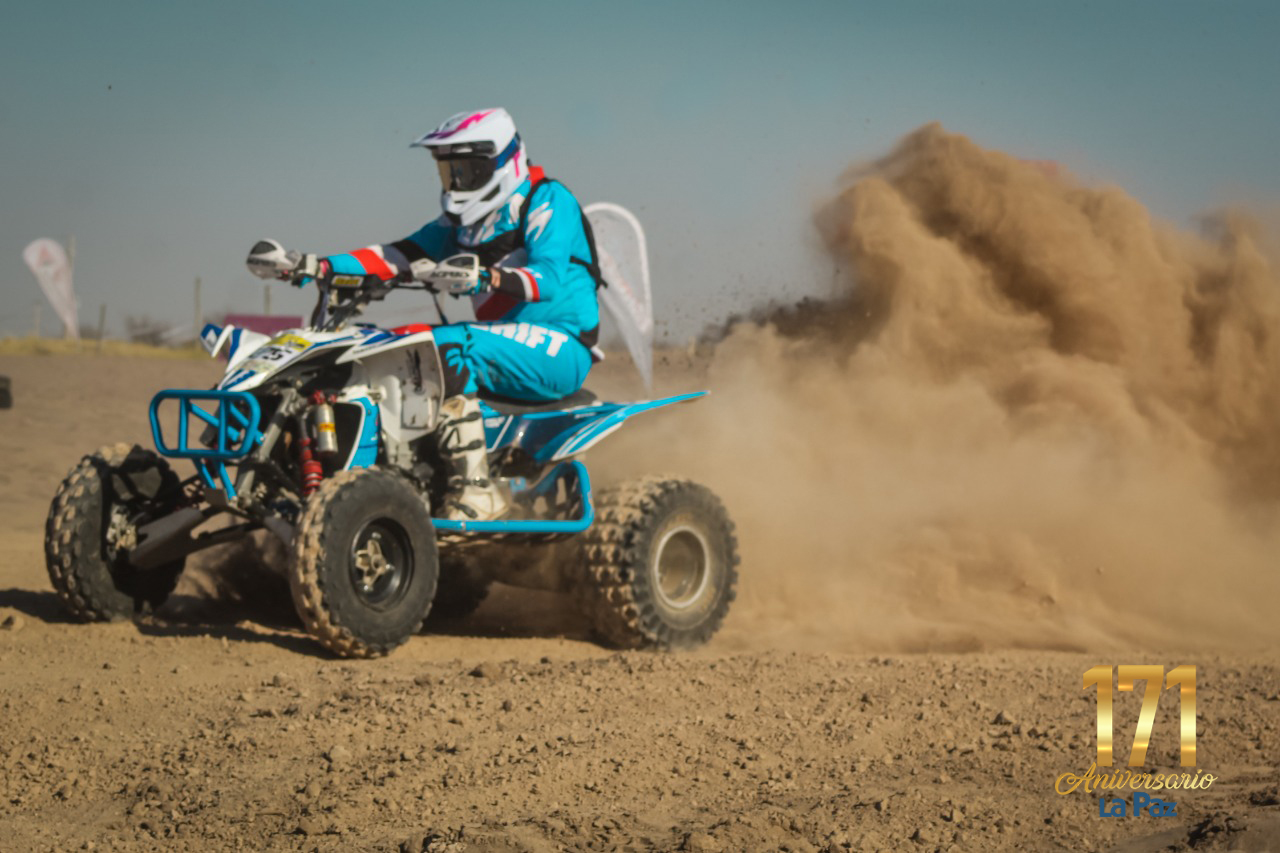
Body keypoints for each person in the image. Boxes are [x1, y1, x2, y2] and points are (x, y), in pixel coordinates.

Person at [293, 108, 601, 521]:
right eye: (450, 171)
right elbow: (397, 255)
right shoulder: (459, 225)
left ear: (501, 161)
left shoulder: (546, 199)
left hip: (562, 344)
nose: (457, 182)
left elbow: (545, 279)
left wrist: (487, 277)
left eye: (468, 170)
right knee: (390, 345)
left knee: (449, 345)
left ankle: (477, 491)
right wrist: (319, 265)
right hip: (503, 344)